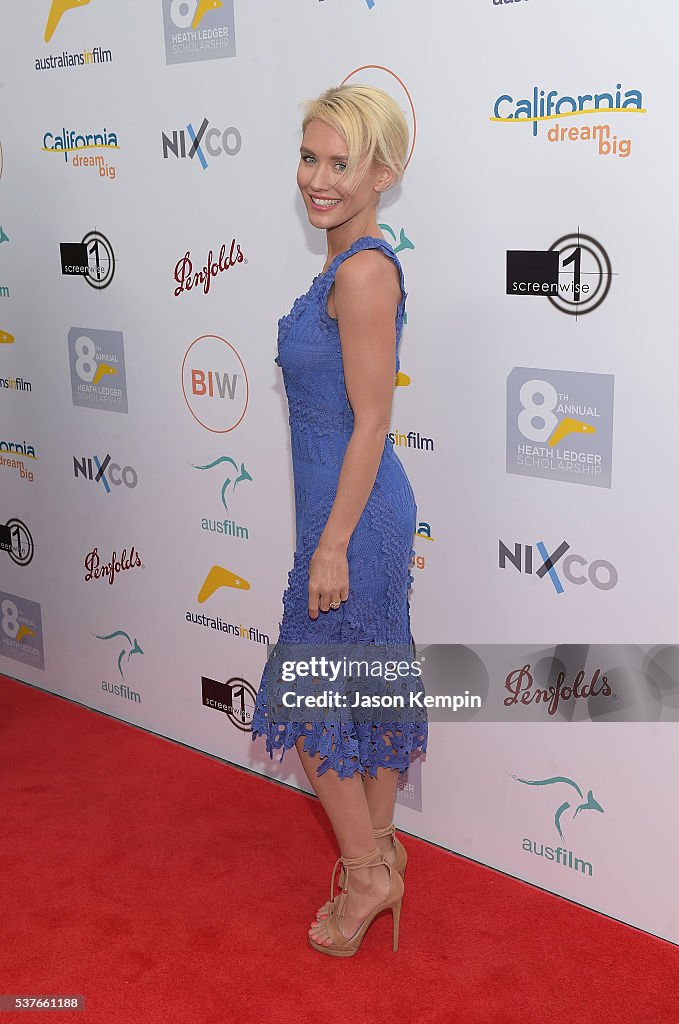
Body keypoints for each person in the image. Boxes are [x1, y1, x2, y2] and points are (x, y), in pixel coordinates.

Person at [250, 84, 428, 957]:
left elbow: (371, 420)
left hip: (352, 523)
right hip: (352, 512)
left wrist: (328, 545)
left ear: (383, 173)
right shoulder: (344, 259)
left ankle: (365, 876)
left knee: (309, 694)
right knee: (364, 689)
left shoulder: (361, 270)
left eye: (340, 162)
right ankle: (383, 857)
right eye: (309, 156)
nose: (317, 177)